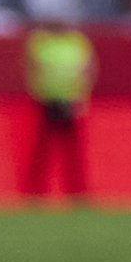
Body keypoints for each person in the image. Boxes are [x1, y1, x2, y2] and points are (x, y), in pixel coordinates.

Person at [23, 16, 96, 201]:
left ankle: (77, 192)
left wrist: (82, 97)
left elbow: (88, 69)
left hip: (70, 100)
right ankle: (35, 192)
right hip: (47, 101)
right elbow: (32, 68)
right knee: (42, 152)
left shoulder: (77, 41)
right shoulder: (40, 41)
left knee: (72, 152)